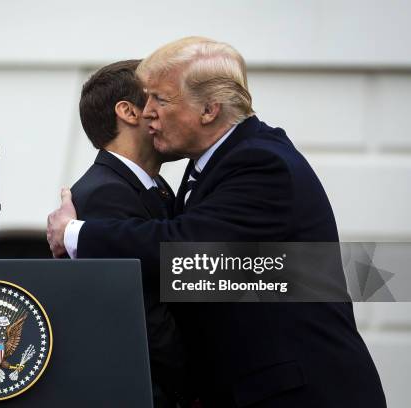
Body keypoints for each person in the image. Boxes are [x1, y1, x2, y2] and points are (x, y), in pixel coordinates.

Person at [47, 37, 386, 407]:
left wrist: (73, 233)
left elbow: (187, 247)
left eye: (160, 99)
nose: (148, 113)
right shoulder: (210, 165)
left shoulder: (259, 162)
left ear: (208, 110)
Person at [70, 59, 186, 407]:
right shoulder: (105, 193)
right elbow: (142, 313)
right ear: (130, 112)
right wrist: (197, 385)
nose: (176, 110)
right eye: (163, 99)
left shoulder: (153, 186)